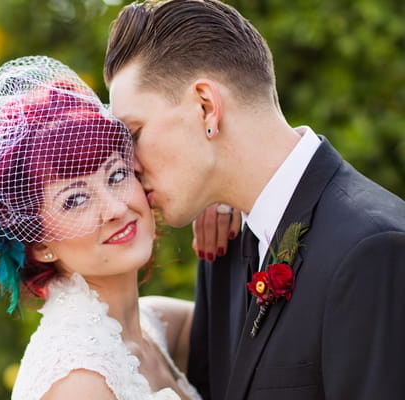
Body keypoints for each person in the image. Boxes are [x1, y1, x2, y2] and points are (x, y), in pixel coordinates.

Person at [104, 1, 405, 399]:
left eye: (135, 133)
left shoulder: (373, 251)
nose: (131, 166)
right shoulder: (224, 244)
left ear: (206, 107)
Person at [0, 55, 203, 400]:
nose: (116, 208)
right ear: (39, 243)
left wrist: (222, 201)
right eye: (75, 200)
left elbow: (254, 327)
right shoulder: (77, 381)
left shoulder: (153, 325)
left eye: (116, 175)